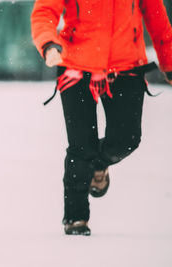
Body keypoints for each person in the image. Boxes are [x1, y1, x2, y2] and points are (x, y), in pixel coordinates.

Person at [31, 0, 172, 235]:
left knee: (127, 139)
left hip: (126, 67)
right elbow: (45, 10)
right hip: (76, 66)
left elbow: (157, 18)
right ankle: (76, 219)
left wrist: (169, 60)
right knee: (81, 146)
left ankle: (98, 164)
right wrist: (48, 43)